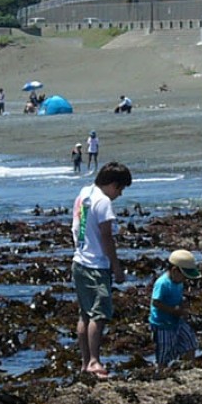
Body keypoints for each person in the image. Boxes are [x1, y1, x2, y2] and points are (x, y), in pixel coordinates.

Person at [70, 162, 132, 379]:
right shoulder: (103, 201)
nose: (120, 194)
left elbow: (79, 226)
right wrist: (116, 267)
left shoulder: (85, 192)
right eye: (120, 189)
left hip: (80, 261)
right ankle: (94, 361)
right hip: (96, 265)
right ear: (113, 184)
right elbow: (107, 237)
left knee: (85, 314)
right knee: (99, 314)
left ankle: (86, 362)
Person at [149, 249, 202, 368]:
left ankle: (190, 368)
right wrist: (174, 311)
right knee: (164, 350)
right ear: (174, 270)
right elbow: (156, 302)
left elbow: (178, 298)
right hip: (162, 323)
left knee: (190, 342)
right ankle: (161, 371)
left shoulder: (179, 282)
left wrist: (183, 305)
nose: (185, 279)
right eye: (184, 276)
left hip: (177, 320)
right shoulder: (162, 283)